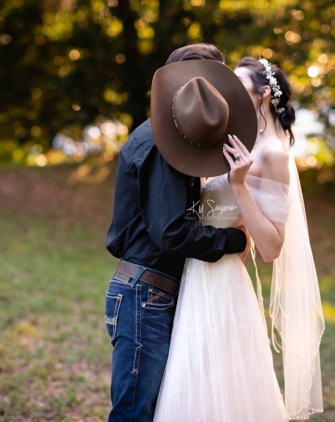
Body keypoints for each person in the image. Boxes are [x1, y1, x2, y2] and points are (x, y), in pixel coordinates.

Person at [153, 57, 325, 421]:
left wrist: (239, 185)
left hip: (221, 283)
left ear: (263, 94)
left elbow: (271, 247)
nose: (228, 93)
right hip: (190, 276)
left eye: (240, 86)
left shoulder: (273, 153)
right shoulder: (231, 140)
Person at [104, 44, 257, 422]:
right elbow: (171, 232)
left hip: (151, 291)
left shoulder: (172, 139)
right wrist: (232, 239)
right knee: (134, 413)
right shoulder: (161, 145)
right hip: (145, 294)